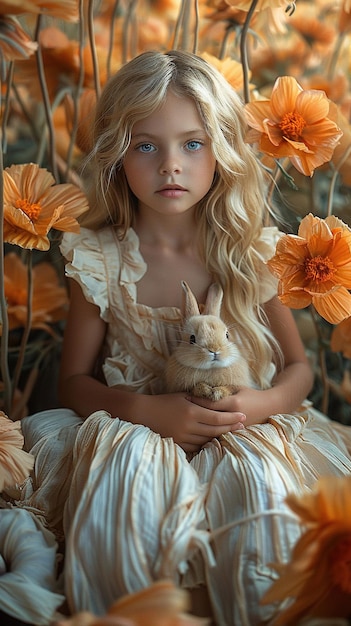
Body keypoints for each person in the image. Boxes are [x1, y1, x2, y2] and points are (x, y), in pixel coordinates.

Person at [15, 50, 351, 625]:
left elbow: (299, 370)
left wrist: (257, 405)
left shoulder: (250, 252)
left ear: (221, 153)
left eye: (192, 144)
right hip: (136, 421)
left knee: (258, 485)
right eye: (145, 145)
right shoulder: (100, 258)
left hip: (244, 422)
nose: (170, 165)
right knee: (127, 491)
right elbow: (72, 382)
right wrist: (146, 409)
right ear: (116, 156)